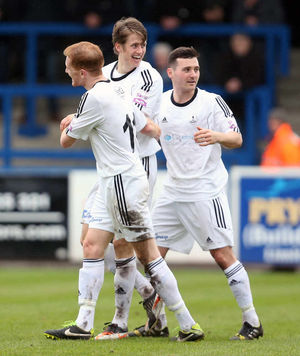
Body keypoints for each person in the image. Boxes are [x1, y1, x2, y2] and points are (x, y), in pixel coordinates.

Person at [44, 41, 204, 342]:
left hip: (123, 182)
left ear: (80, 71)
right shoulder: (118, 90)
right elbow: (143, 124)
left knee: (149, 257)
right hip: (113, 180)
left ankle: (187, 323)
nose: (66, 72)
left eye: (67, 68)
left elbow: (66, 141)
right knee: (91, 245)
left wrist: (68, 123)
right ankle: (83, 323)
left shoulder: (93, 98)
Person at [152, 46, 263, 341]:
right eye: (186, 70)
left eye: (196, 69)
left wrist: (216, 136)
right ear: (171, 72)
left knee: (222, 255)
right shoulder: (159, 103)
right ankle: (158, 322)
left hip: (204, 190)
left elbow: (237, 138)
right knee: (150, 257)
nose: (192, 75)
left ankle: (252, 321)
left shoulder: (212, 102)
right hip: (172, 190)